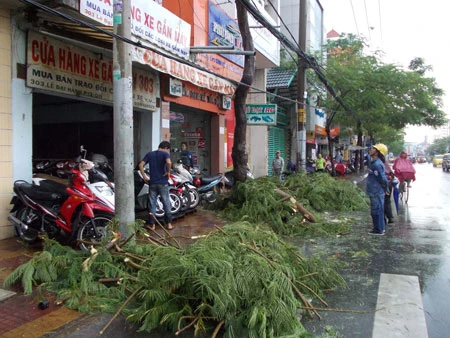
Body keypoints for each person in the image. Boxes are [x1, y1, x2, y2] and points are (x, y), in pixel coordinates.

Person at [138, 141, 174, 230]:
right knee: (166, 202)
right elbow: (169, 163)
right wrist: (168, 172)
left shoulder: (150, 154)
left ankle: (152, 225)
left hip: (152, 182)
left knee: (152, 204)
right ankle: (169, 224)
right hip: (163, 183)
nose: (168, 152)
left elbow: (140, 165)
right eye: (168, 150)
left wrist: (144, 177)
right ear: (166, 148)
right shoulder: (165, 154)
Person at [366, 143, 389, 235]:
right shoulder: (374, 163)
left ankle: (379, 229)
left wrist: (386, 188)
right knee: (376, 210)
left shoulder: (377, 164)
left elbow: (382, 178)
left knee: (377, 211)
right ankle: (379, 228)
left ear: (377, 152)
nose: (371, 150)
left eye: (373, 149)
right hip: (375, 191)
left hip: (376, 191)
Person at [384, 159, 395, 224]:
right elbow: (392, 174)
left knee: (383, 202)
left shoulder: (378, 164)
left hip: (384, 185)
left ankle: (385, 219)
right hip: (388, 184)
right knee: (387, 202)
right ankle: (390, 217)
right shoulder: (385, 164)